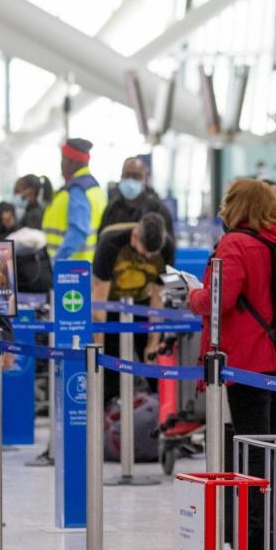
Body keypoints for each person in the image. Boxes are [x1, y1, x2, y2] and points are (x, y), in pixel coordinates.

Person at [188, 179, 276, 550]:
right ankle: (268, 537)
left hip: (246, 363)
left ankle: (251, 542)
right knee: (272, 447)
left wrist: (191, 294)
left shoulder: (236, 245)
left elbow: (218, 300)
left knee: (249, 450)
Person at [93, 212, 173, 401]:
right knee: (110, 370)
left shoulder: (167, 246)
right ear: (134, 236)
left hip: (143, 305)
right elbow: (99, 301)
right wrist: (99, 347)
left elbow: (158, 297)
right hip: (110, 306)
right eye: (144, 252)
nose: (147, 257)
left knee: (153, 366)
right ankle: (108, 413)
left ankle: (158, 414)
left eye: (152, 255)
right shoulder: (110, 243)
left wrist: (153, 343)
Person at [43, 138, 107, 262]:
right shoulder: (94, 188)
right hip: (86, 267)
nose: (61, 164)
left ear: (72, 162)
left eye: (63, 159)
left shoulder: (77, 190)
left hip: (71, 270)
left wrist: (58, 259)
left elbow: (78, 231)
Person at [100, 157, 175, 243]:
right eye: (126, 175)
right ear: (121, 177)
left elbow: (169, 247)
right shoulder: (112, 209)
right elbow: (102, 241)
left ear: (145, 179)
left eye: (136, 176)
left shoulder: (158, 210)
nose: (130, 180)